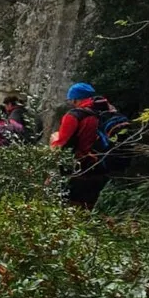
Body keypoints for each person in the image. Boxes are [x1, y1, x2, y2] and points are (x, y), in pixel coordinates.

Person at [51, 82, 109, 210]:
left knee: (69, 207)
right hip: (97, 166)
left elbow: (62, 143)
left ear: (75, 99)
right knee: (86, 208)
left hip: (76, 168)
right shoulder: (101, 114)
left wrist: (55, 139)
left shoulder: (74, 116)